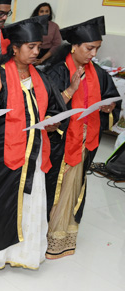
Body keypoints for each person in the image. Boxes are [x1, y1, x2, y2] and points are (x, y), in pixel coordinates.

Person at [0, 16, 67, 273]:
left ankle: (22, 253)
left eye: (39, 47)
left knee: (29, 203)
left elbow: (53, 109)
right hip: (0, 155)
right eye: (31, 47)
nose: (36, 52)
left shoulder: (41, 78)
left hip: (33, 153)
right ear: (15, 48)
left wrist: (52, 123)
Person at [45, 16, 121, 259]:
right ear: (74, 46)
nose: (93, 53)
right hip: (61, 142)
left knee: (75, 187)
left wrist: (108, 108)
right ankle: (46, 236)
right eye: (89, 48)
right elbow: (47, 109)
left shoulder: (98, 74)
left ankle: (65, 234)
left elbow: (111, 99)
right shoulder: (58, 71)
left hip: (86, 142)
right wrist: (71, 90)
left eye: (97, 48)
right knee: (55, 187)